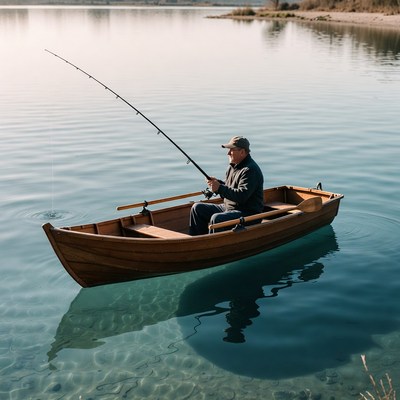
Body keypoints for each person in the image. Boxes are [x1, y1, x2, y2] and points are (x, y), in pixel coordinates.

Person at [189, 136, 264, 235]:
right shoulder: (232, 166)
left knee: (217, 218)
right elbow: (230, 188)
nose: (228, 153)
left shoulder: (250, 170)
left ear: (242, 152)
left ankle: (212, 246)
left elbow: (241, 196)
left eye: (231, 150)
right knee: (197, 208)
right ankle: (196, 241)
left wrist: (219, 188)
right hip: (229, 208)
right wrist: (217, 183)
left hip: (248, 213)